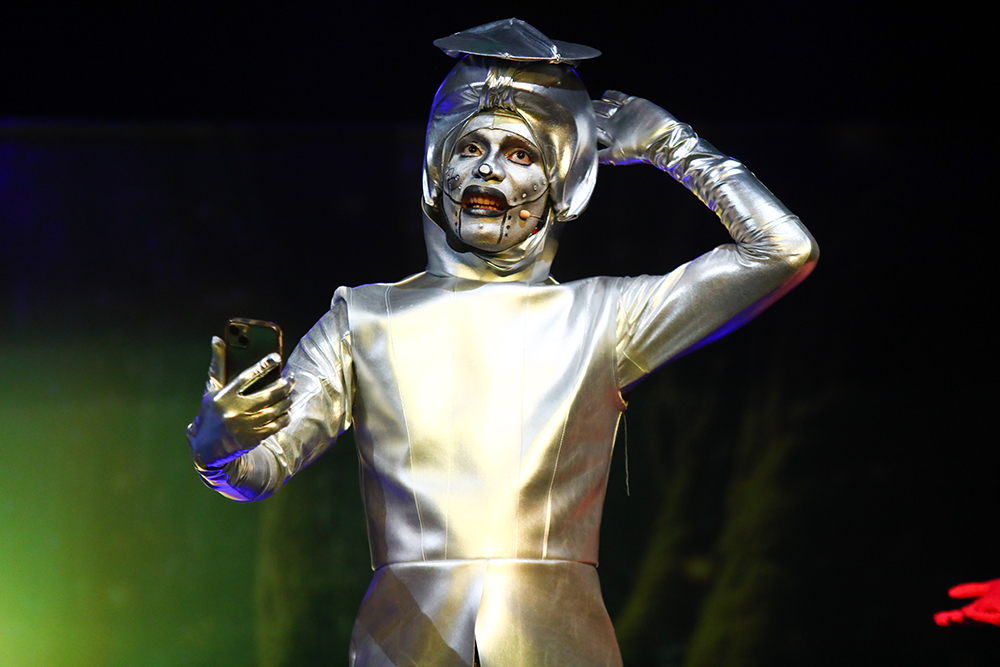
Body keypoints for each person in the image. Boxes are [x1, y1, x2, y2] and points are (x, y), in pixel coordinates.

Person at [186, 18, 818, 667]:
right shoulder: (363, 318)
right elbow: (257, 469)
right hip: (403, 646)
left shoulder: (601, 316)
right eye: (470, 147)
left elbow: (783, 250)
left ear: (560, 186)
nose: (488, 168)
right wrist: (216, 445)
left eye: (520, 154)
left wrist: (670, 145)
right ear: (439, 169)